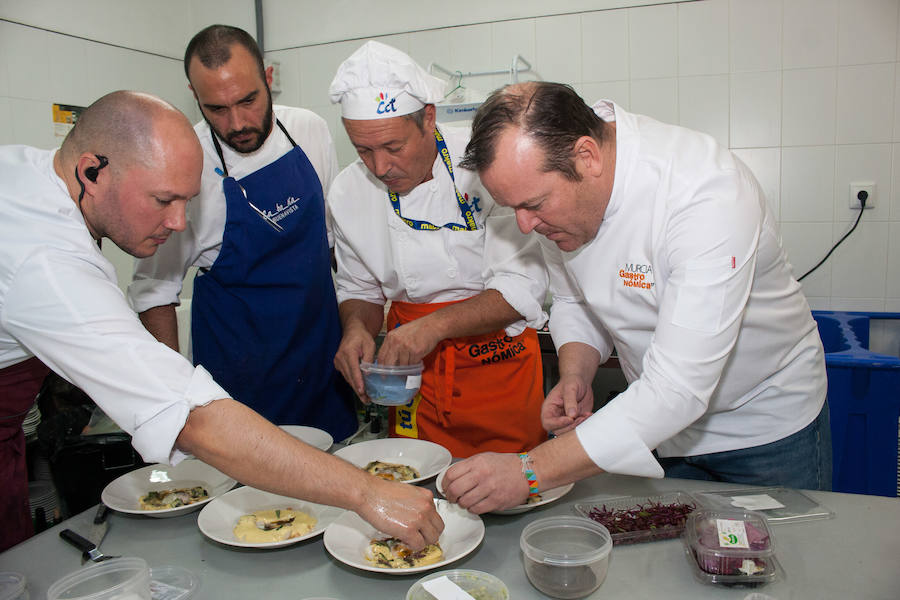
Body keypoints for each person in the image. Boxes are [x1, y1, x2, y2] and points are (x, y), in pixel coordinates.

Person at [0, 90, 442, 552]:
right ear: (93, 171)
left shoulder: (29, 175)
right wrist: (367, 492)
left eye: (187, 201)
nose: (177, 223)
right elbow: (190, 417)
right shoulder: (45, 262)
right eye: (162, 199)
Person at [442, 81, 831, 513]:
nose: (526, 225)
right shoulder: (559, 201)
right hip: (660, 432)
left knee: (783, 564)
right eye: (513, 207)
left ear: (586, 156)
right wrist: (576, 375)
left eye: (533, 205)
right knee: (676, 561)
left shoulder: (705, 193)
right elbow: (574, 299)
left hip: (766, 426)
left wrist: (528, 471)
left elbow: (676, 389)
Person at [128, 25, 356, 439]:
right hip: (240, 381)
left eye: (248, 100)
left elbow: (331, 243)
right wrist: (176, 400)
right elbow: (153, 292)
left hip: (321, 366)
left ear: (268, 78)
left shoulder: (308, 131)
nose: (237, 124)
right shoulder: (185, 166)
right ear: (195, 97)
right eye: (216, 109)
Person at [327, 41, 549, 458]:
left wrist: (430, 328)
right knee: (415, 481)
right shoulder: (348, 191)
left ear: (428, 118)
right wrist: (356, 328)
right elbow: (360, 288)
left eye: (393, 147)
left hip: (497, 367)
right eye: (363, 150)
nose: (379, 167)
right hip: (413, 375)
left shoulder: (488, 160)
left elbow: (522, 288)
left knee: (511, 487)